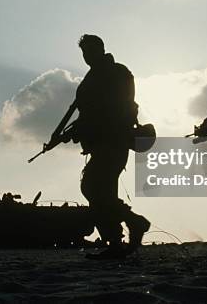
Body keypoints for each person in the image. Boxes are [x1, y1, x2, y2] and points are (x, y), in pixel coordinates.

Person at [72, 34, 150, 259]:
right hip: (100, 142)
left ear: (100, 49)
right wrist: (79, 129)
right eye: (84, 53)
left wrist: (87, 124)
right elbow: (86, 113)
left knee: (92, 188)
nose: (87, 57)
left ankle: (133, 224)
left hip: (113, 139)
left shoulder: (116, 72)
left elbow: (117, 106)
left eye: (90, 51)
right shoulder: (92, 78)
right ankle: (117, 241)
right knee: (101, 191)